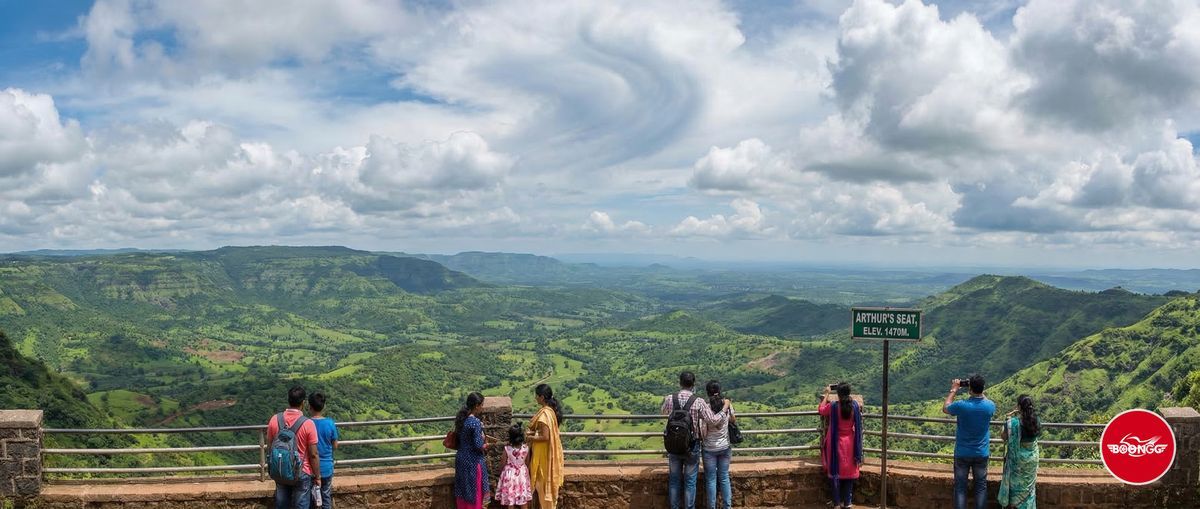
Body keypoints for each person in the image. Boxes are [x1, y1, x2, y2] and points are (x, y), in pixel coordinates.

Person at [661, 371, 730, 509]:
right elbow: (713, 420)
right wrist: (725, 407)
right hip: (692, 446)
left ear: (680, 383)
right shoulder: (698, 401)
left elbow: (663, 411)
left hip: (673, 445)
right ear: (693, 384)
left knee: (674, 480)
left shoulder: (670, 398)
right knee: (690, 481)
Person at [943, 375, 996, 509]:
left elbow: (945, 408)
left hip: (962, 452)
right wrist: (978, 391)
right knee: (981, 488)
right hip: (981, 453)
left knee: (960, 488)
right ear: (983, 388)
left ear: (969, 389)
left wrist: (954, 389)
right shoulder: (990, 406)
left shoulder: (962, 405)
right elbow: (985, 401)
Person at [267, 386, 321, 509]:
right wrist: (318, 477)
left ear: (288, 400)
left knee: (281, 505)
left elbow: (270, 446)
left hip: (280, 470)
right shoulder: (308, 424)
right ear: (303, 402)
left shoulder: (275, 420)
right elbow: (313, 454)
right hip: (302, 472)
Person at [819, 383, 863, 509]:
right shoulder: (854, 406)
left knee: (835, 471)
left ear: (838, 394)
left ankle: (837, 502)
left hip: (835, 443)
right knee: (849, 472)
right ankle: (848, 502)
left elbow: (821, 410)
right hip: (851, 442)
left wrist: (827, 393)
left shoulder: (833, 407)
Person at [998, 395, 1041, 509]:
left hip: (1017, 463)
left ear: (1019, 407)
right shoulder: (1036, 421)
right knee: (1029, 489)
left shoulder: (1013, 423)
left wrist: (1008, 418)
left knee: (1015, 490)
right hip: (1031, 459)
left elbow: (1003, 436)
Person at [527, 384, 565, 509]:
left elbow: (545, 437)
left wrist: (530, 437)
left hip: (543, 457)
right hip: (547, 454)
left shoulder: (544, 416)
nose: (535, 398)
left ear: (542, 397)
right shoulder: (551, 411)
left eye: (537, 396)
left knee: (542, 487)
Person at [454, 392, 491, 509]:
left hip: (461, 458)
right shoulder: (475, 422)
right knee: (474, 490)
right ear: (476, 406)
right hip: (473, 461)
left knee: (464, 489)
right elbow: (478, 445)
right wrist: (486, 444)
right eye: (482, 405)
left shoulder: (462, 419)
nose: (483, 407)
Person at [702, 380, 734, 509]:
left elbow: (703, 430)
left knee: (711, 480)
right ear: (719, 391)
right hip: (725, 446)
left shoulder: (706, 407)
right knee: (724, 477)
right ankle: (727, 506)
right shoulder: (726, 405)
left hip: (709, 448)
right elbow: (733, 420)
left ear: (708, 392)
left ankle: (712, 507)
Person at [309, 392, 340, 509]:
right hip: (327, 467)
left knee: (311, 498)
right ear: (324, 406)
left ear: (309, 406)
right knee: (326, 495)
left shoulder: (307, 423)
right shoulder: (330, 423)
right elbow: (335, 445)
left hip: (310, 468)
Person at [496, 423, 533, 509]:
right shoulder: (526, 448)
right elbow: (527, 463)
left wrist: (500, 472)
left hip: (509, 475)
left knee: (510, 499)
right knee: (523, 499)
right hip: (522, 475)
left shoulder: (507, 448)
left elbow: (502, 463)